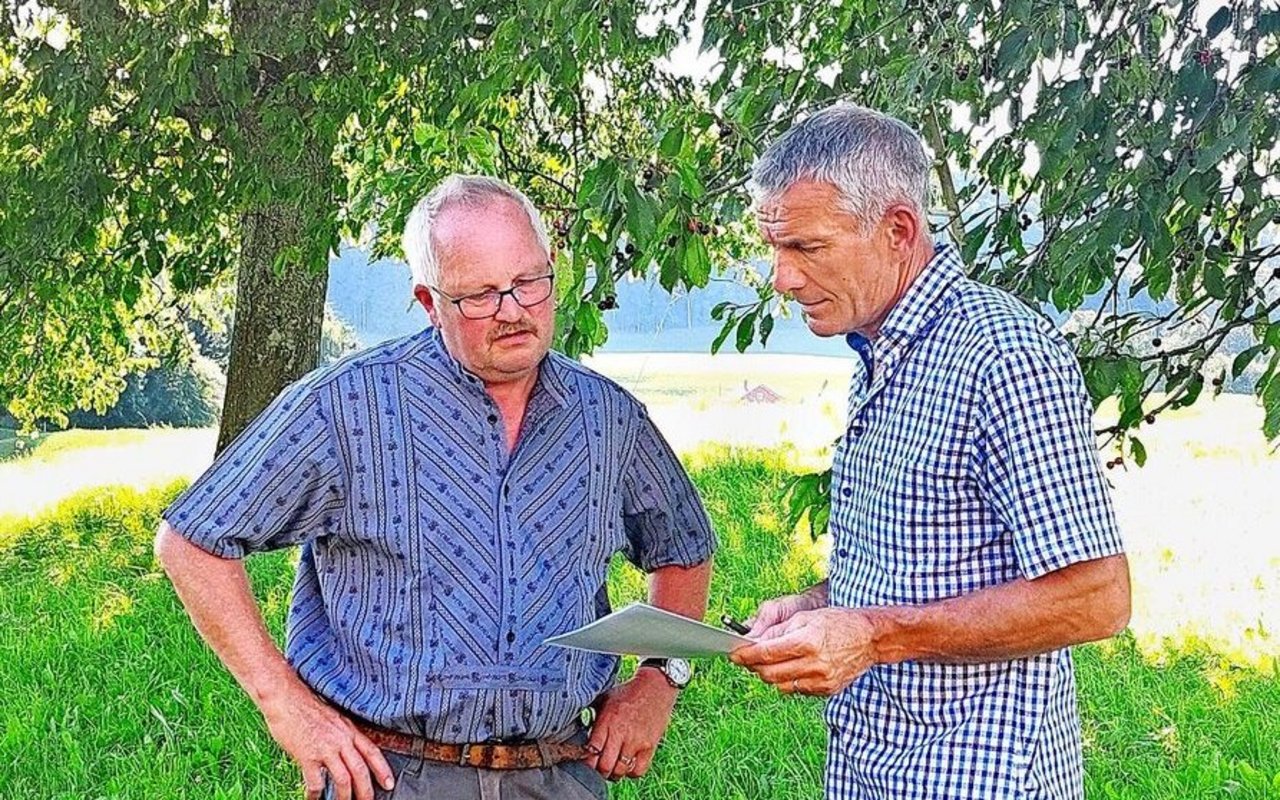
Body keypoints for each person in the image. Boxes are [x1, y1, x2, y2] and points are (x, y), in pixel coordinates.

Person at [156, 174, 715, 800]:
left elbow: (682, 546)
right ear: (429, 302)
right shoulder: (346, 406)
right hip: (390, 776)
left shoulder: (610, 420)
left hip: (561, 773)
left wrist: (658, 680)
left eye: (529, 282)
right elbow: (193, 541)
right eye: (479, 295)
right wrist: (283, 703)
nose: (512, 310)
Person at [729, 103, 1131, 799]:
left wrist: (874, 637)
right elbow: (924, 561)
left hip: (979, 774)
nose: (781, 279)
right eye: (775, 248)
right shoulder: (882, 350)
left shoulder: (1002, 355)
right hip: (875, 766)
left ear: (898, 230)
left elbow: (1097, 598)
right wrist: (818, 606)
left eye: (806, 248)